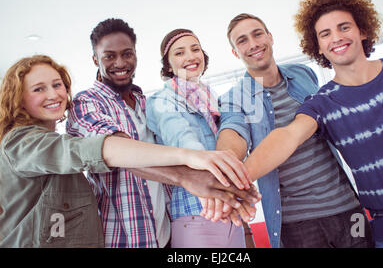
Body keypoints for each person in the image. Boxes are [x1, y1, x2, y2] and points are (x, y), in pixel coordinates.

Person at [0, 55, 250, 247]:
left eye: (57, 84)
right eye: (38, 89)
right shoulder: (21, 143)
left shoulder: (51, 140)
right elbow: (98, 149)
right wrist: (189, 160)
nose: (53, 94)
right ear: (19, 97)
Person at [243, 0, 383, 248]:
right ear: (317, 46)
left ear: (362, 30)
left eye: (344, 27)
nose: (336, 38)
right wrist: (237, 179)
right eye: (325, 34)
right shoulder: (322, 104)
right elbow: (287, 136)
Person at [66, 19, 259, 248]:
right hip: (126, 239)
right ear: (95, 59)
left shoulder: (143, 103)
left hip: (164, 234)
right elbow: (118, 151)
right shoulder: (86, 103)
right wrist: (189, 176)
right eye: (109, 56)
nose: (120, 62)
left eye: (127, 54)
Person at [214, 13, 373, 248]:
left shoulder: (302, 73)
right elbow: (232, 131)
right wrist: (226, 165)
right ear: (235, 52)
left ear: (270, 37)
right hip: (297, 222)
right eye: (242, 40)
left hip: (348, 207)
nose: (254, 44)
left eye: (258, 34)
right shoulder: (233, 98)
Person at [146, 28, 254, 248]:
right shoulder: (161, 99)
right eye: (179, 52)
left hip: (229, 207)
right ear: (168, 65)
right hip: (194, 211)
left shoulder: (213, 98)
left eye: (195, 49)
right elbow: (183, 140)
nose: (190, 56)